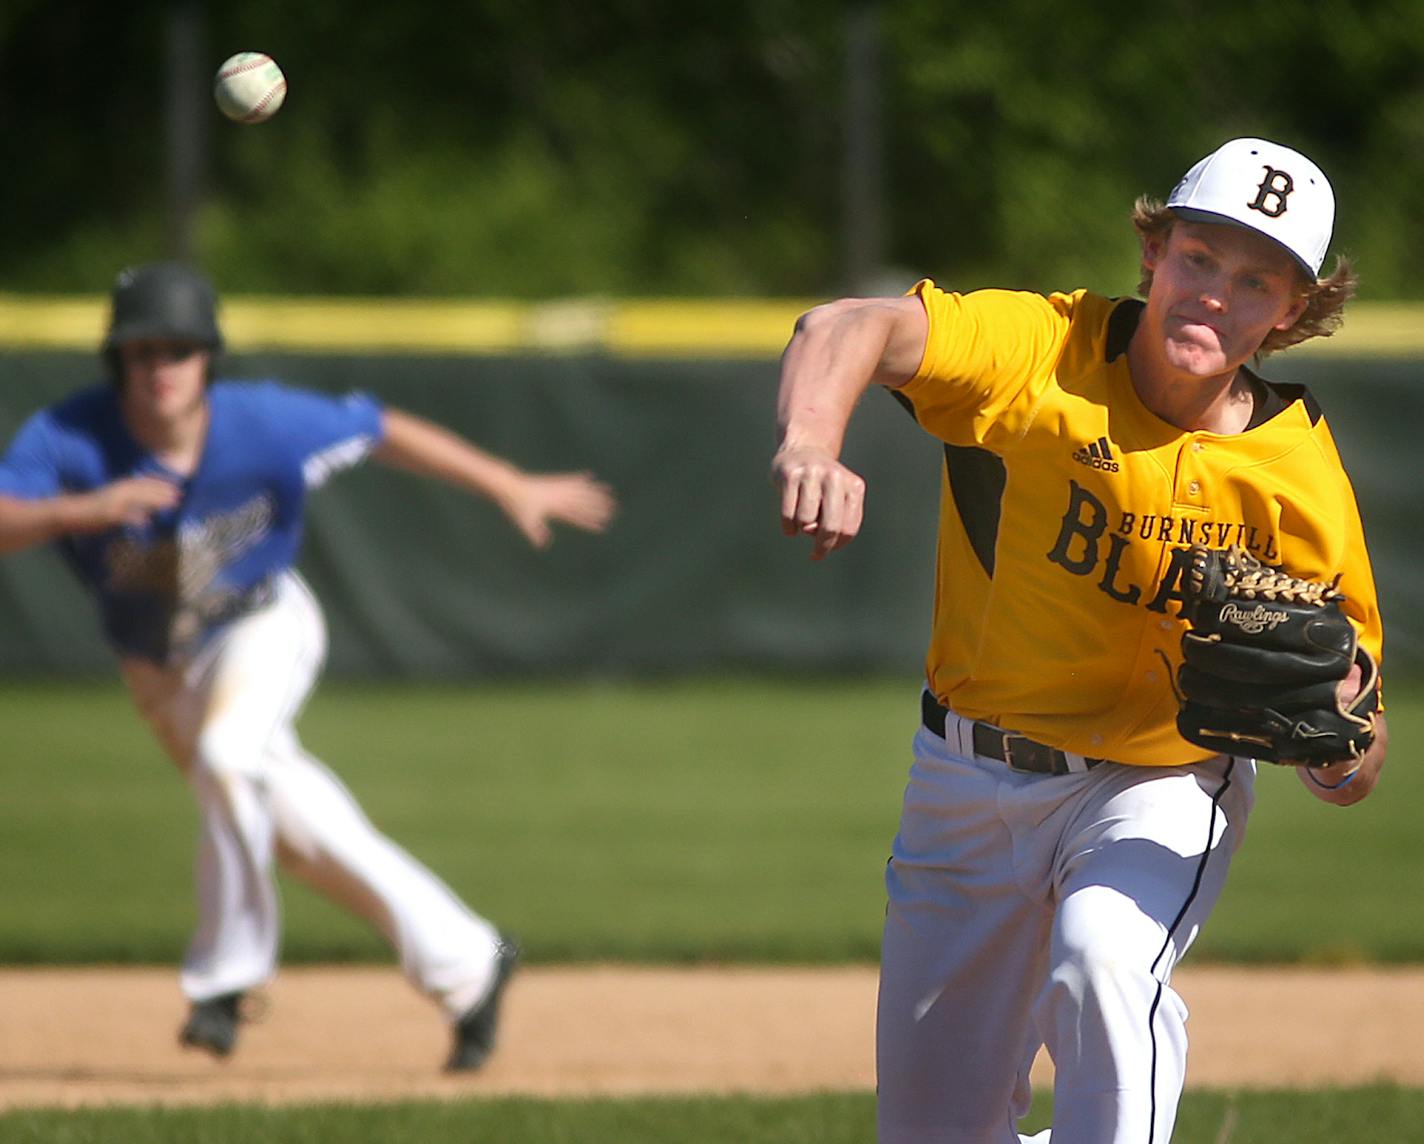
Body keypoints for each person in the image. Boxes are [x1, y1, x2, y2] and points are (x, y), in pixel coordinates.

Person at [771, 137, 1387, 1143]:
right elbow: (846, 323)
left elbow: (1356, 747)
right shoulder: (1041, 350)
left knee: (1104, 956)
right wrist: (808, 441)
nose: (1211, 294)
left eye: (1252, 279)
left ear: (1291, 309)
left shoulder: (1299, 481)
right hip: (961, 782)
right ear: (1152, 252)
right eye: (1197, 256)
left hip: (1154, 783)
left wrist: (1332, 745)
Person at [0, 262, 617, 1072]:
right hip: (157, 670)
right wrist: (84, 509)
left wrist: (506, 482)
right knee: (295, 830)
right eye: (141, 352)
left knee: (230, 757)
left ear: (207, 359)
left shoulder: (263, 424)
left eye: (177, 351)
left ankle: (225, 985)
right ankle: (469, 962)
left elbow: (383, 429)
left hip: (262, 625)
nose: (159, 369)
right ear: (117, 361)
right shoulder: (73, 436)